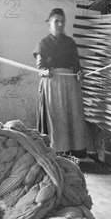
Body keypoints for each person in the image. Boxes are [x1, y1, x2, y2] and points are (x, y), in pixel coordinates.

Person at [33, 8, 92, 158]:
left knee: (74, 117)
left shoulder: (70, 43)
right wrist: (45, 71)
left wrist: (79, 73)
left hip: (70, 85)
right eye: (56, 21)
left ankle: (75, 150)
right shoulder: (43, 43)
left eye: (62, 21)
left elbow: (77, 65)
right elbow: (40, 68)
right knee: (56, 119)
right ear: (50, 24)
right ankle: (58, 152)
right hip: (53, 85)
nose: (60, 24)